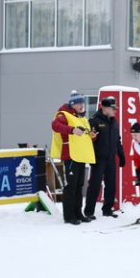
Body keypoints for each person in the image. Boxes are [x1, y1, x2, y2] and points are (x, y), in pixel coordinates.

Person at [51, 91, 97, 225]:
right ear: (73, 104)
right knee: (71, 186)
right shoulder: (63, 114)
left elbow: (84, 134)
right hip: (70, 155)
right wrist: (72, 130)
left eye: (82, 102)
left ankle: (78, 213)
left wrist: (92, 135)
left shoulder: (81, 117)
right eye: (79, 103)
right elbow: (55, 126)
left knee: (79, 185)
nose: (82, 105)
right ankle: (69, 216)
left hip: (81, 155)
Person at [83, 97, 125, 219]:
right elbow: (88, 140)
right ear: (105, 108)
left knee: (111, 184)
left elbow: (117, 140)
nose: (115, 111)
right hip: (98, 158)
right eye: (113, 109)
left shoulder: (113, 122)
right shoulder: (94, 121)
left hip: (111, 158)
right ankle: (89, 211)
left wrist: (121, 154)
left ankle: (107, 209)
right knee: (95, 184)